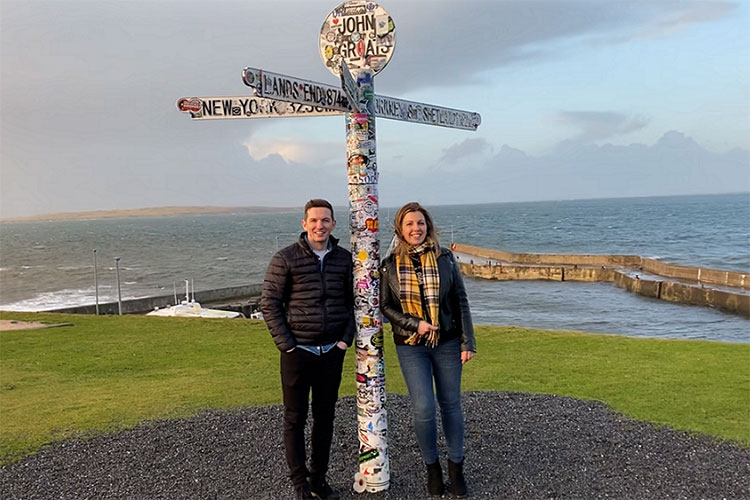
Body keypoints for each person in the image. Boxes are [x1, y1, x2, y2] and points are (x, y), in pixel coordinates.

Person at [380, 202, 476, 497]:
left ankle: (456, 467)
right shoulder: (389, 265)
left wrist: (467, 341)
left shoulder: (445, 258)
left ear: (428, 226)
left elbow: (460, 300)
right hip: (411, 346)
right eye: (409, 224)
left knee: (451, 405)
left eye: (420, 223)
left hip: (447, 342)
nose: (415, 229)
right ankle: (432, 467)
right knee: (423, 407)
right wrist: (414, 324)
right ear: (400, 229)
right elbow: (385, 307)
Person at [261, 199, 355, 500]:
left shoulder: (344, 259)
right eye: (314, 220)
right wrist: (287, 345)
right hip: (297, 353)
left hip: (331, 351)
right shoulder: (285, 259)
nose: (320, 225)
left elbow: (357, 302)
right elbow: (270, 303)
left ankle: (318, 479)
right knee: (295, 417)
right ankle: (300, 484)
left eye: (325, 220)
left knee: (325, 417)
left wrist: (344, 340)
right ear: (304, 224)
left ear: (333, 224)